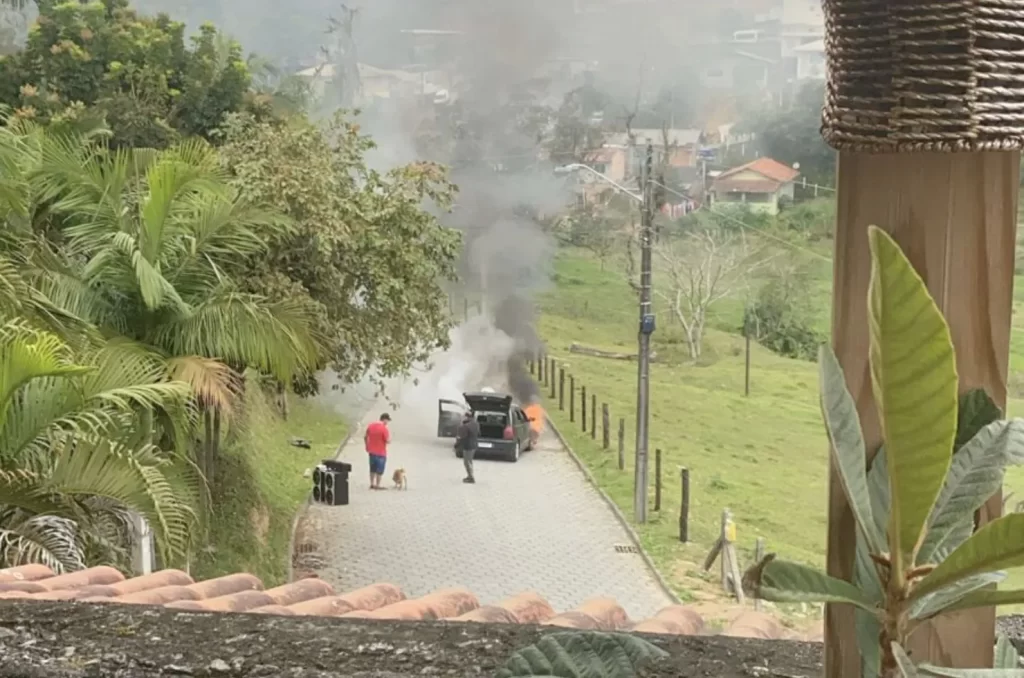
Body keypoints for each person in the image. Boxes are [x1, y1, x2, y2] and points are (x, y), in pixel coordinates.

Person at [364, 413, 391, 490]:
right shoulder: (384, 429)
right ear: (384, 419)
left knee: (372, 468)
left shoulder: (371, 426)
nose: (387, 423)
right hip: (381, 453)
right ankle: (377, 485)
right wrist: (390, 440)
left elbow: (365, 436)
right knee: (380, 470)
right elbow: (387, 440)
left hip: (371, 451)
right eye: (387, 420)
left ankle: (372, 484)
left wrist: (367, 446)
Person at [455, 410, 479, 484]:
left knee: (466, 462)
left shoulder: (465, 426)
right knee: (470, 461)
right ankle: (470, 475)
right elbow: (478, 433)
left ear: (467, 417)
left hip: (467, 446)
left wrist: (456, 445)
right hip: (474, 445)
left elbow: (461, 437)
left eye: (464, 416)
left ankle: (471, 477)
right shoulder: (476, 424)